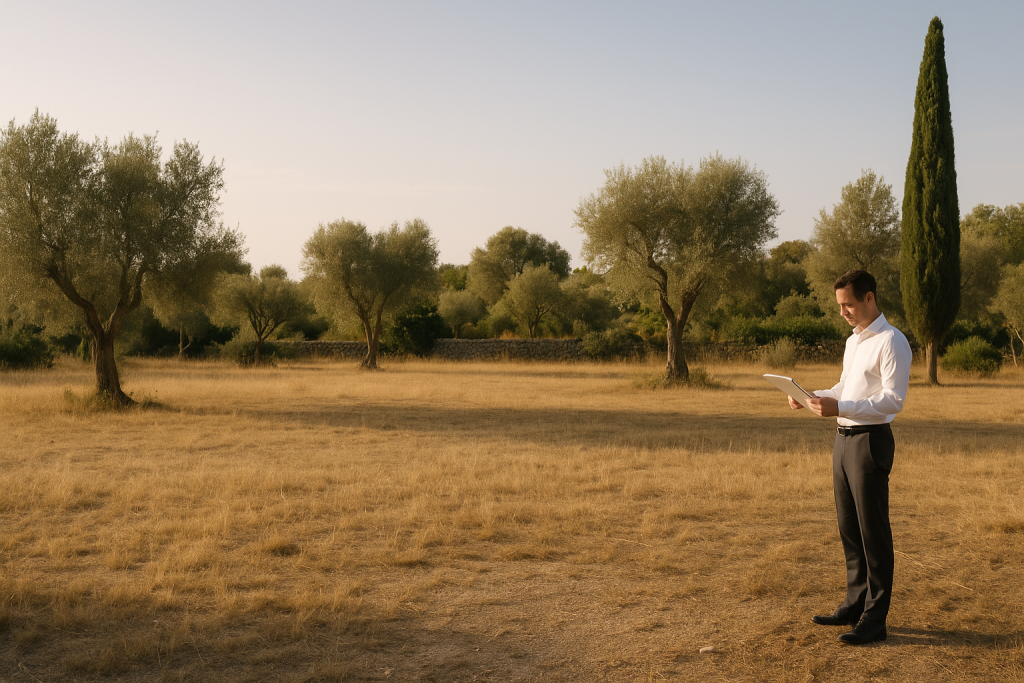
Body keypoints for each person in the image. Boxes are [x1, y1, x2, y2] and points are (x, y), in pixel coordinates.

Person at [788, 270, 912, 645]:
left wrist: (841, 405)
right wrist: (812, 395)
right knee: (850, 529)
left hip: (871, 441)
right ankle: (855, 604)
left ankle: (875, 620)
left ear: (870, 298)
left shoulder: (893, 341)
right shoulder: (853, 341)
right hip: (842, 440)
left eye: (849, 304)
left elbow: (894, 400)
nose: (843, 311)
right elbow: (846, 385)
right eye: (840, 305)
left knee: (873, 532)